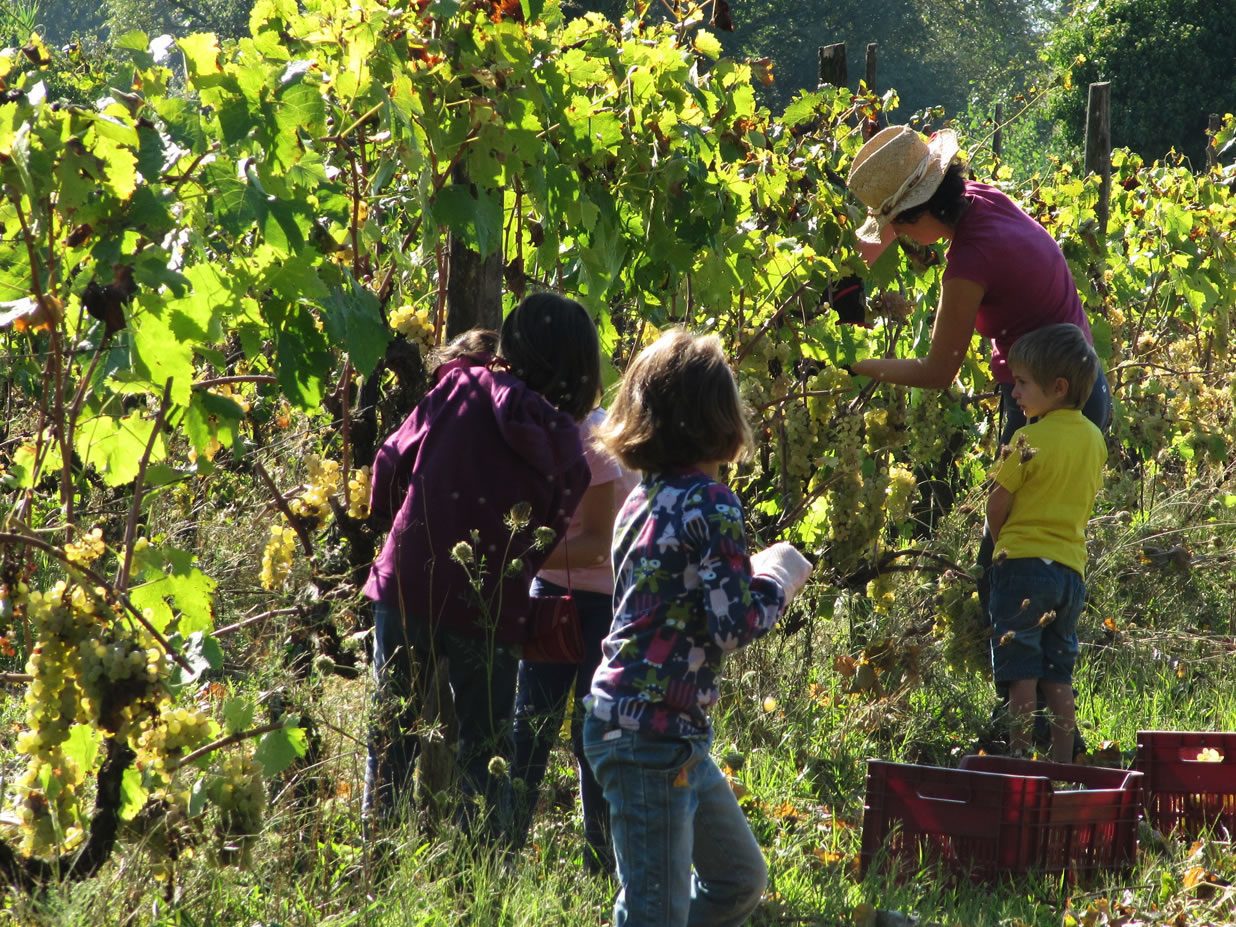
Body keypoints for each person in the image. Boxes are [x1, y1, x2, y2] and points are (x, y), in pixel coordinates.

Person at [846, 125, 1112, 752]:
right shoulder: (982, 200)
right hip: (1073, 388)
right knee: (1050, 560)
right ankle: (1053, 739)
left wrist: (854, 363)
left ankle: (1019, 735)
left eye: (899, 225)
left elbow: (938, 373)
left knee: (1006, 563)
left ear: (921, 213)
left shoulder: (968, 263)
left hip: (1044, 399)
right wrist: (859, 248)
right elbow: (897, 226)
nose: (900, 239)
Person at [583, 330, 813, 927]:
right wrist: (777, 577)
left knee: (737, 880)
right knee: (656, 910)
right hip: (651, 732)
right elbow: (733, 624)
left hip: (657, 727)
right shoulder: (712, 503)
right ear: (720, 417)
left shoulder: (643, 497)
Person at [362, 294, 600, 845]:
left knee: (389, 732)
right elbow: (551, 531)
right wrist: (510, 576)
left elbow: (391, 461)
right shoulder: (567, 446)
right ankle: (475, 878)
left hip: (407, 583)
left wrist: (395, 524)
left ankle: (376, 864)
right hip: (490, 607)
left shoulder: (459, 388)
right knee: (485, 750)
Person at [511, 407, 638, 874]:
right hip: (555, 588)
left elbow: (596, 545)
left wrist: (516, 552)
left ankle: (602, 866)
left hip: (600, 603)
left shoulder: (588, 433)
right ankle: (501, 853)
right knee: (533, 729)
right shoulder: (534, 423)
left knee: (591, 733)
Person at [985, 324, 1106, 763]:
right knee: (1059, 674)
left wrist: (1003, 549)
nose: (1015, 392)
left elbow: (995, 507)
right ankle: (1061, 765)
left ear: (1057, 388)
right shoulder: (1095, 440)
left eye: (1022, 383)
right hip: (1070, 572)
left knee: (1021, 672)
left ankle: (1019, 760)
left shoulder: (1026, 438)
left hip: (1023, 566)